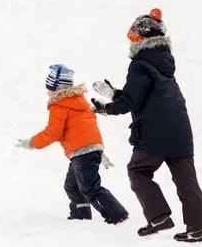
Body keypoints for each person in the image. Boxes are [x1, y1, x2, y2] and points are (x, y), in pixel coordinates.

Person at [91, 8, 202, 242]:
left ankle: (159, 217)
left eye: (133, 36)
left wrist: (106, 108)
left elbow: (132, 101)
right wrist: (116, 94)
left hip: (155, 134)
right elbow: (144, 97)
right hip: (180, 132)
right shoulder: (164, 63)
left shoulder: (140, 64)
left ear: (142, 39)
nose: (131, 41)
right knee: (186, 181)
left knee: (138, 171)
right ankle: (198, 228)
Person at [16, 64, 128, 225]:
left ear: (55, 88)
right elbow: (87, 129)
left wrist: (32, 143)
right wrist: (98, 151)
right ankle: (81, 216)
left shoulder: (60, 105)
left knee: (89, 187)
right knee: (72, 186)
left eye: (49, 87)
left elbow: (53, 133)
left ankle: (117, 215)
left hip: (81, 152)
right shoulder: (78, 101)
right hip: (84, 151)